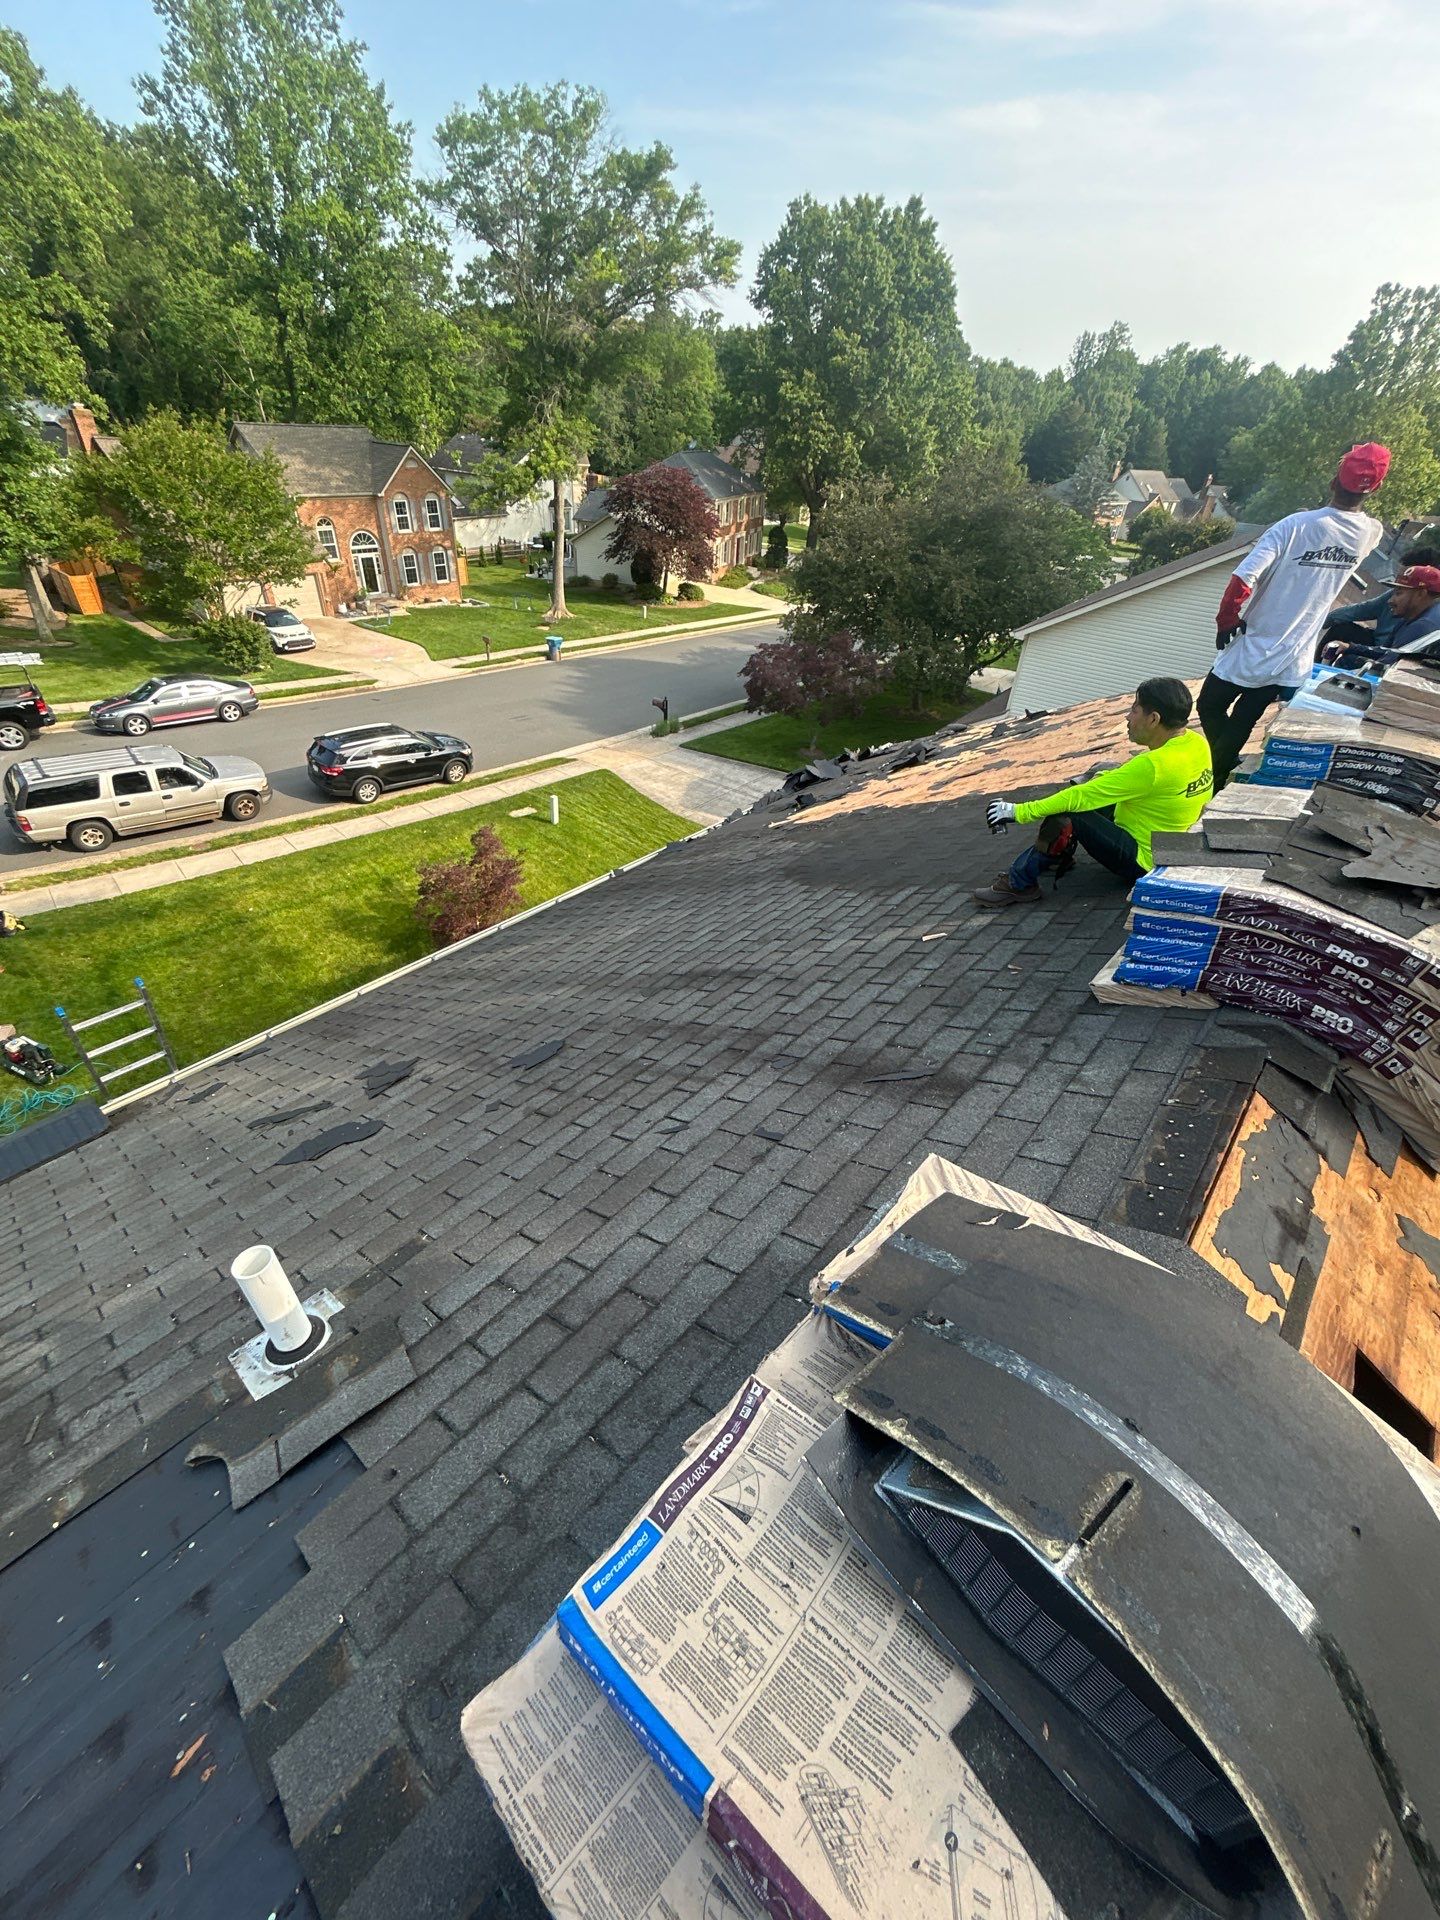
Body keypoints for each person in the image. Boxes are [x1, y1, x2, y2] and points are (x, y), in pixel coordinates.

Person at [1197, 442, 1389, 789]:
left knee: (1209, 704)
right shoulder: (1370, 533)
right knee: (1246, 717)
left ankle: (1215, 769)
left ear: (1334, 481)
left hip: (1258, 639)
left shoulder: (1295, 525)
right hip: (1296, 650)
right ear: (1375, 488)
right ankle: (1221, 772)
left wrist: (1227, 618)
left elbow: (1244, 576)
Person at [976, 677, 1212, 907]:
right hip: (1169, 841)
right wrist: (1102, 779)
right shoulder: (1195, 742)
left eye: (1134, 710)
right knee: (1085, 794)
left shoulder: (1154, 765)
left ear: (1153, 719)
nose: (1127, 717)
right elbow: (1139, 781)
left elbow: (1081, 798)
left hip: (1144, 860)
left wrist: (1017, 811)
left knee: (1071, 810)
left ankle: (1019, 883)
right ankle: (1056, 852)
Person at [1320, 555, 1440, 666]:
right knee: (1345, 639)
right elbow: (1387, 650)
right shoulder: (1413, 614)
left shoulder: (1424, 625)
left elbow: (1386, 665)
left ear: (1420, 594)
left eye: (1398, 593)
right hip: (1387, 654)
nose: (1390, 601)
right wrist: (1350, 647)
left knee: (1349, 661)